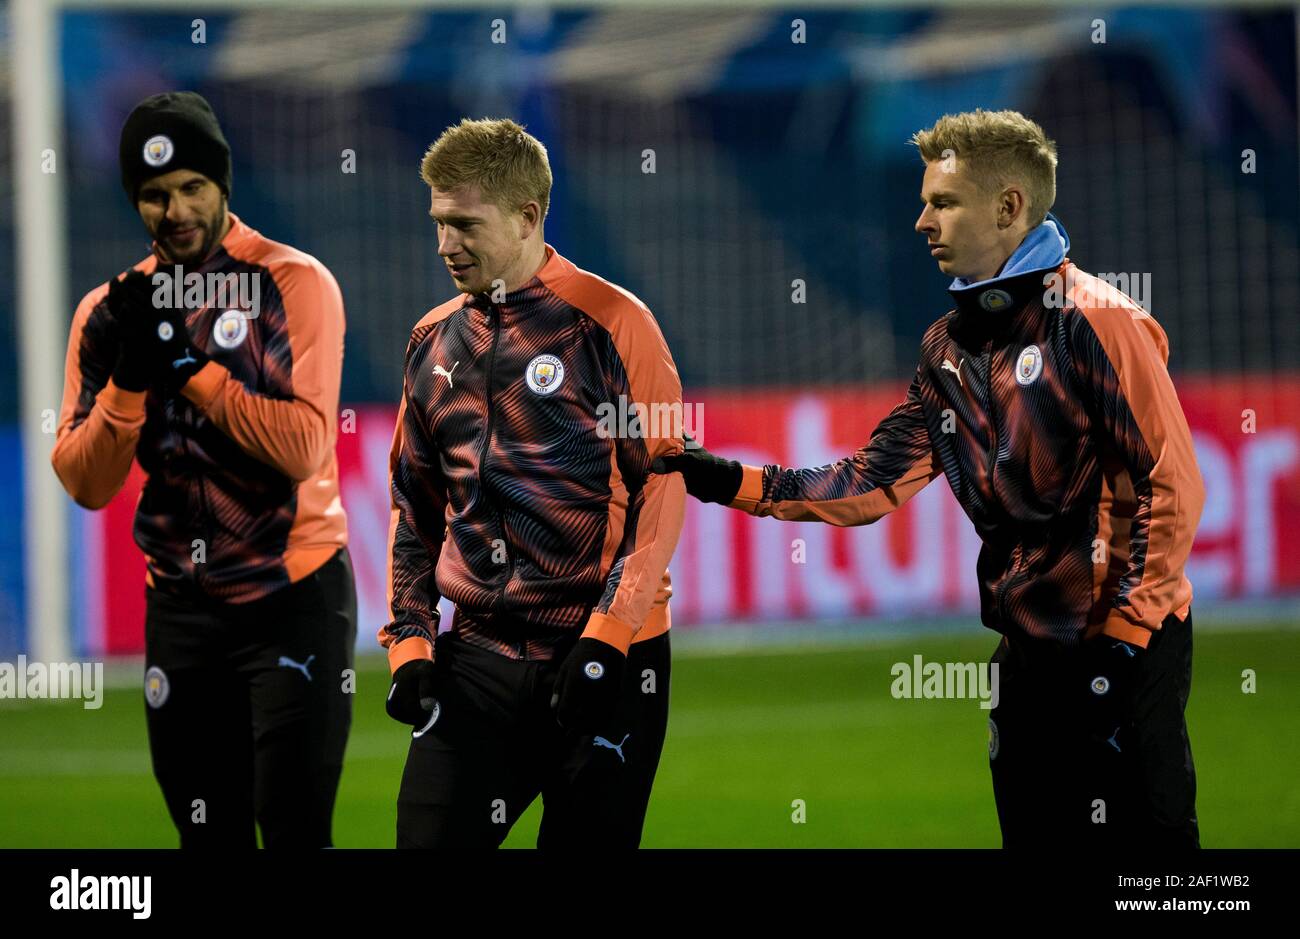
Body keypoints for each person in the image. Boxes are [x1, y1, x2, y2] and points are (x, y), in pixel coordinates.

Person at [657, 109, 1205, 849]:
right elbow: (870, 481)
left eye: (942, 202)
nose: (921, 221)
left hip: (1120, 653)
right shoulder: (947, 346)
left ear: (1008, 207)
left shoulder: (1096, 321)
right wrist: (728, 479)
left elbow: (1169, 486)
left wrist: (1126, 642)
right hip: (1026, 661)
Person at [51, 91, 355, 848]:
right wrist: (129, 375)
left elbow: (303, 448)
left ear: (224, 185)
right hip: (180, 613)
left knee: (294, 833)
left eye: (192, 187)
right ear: (134, 201)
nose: (175, 209)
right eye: (154, 194)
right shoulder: (107, 312)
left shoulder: (294, 284)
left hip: (293, 597)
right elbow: (86, 484)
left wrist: (186, 366)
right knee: (205, 838)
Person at [380, 118, 686, 849]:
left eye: (464, 224)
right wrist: (410, 645)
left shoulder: (616, 324)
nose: (446, 244)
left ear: (527, 216)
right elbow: (413, 509)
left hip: (609, 663)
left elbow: (662, 493)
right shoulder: (431, 339)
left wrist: (608, 638)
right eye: (438, 223)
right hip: (477, 661)